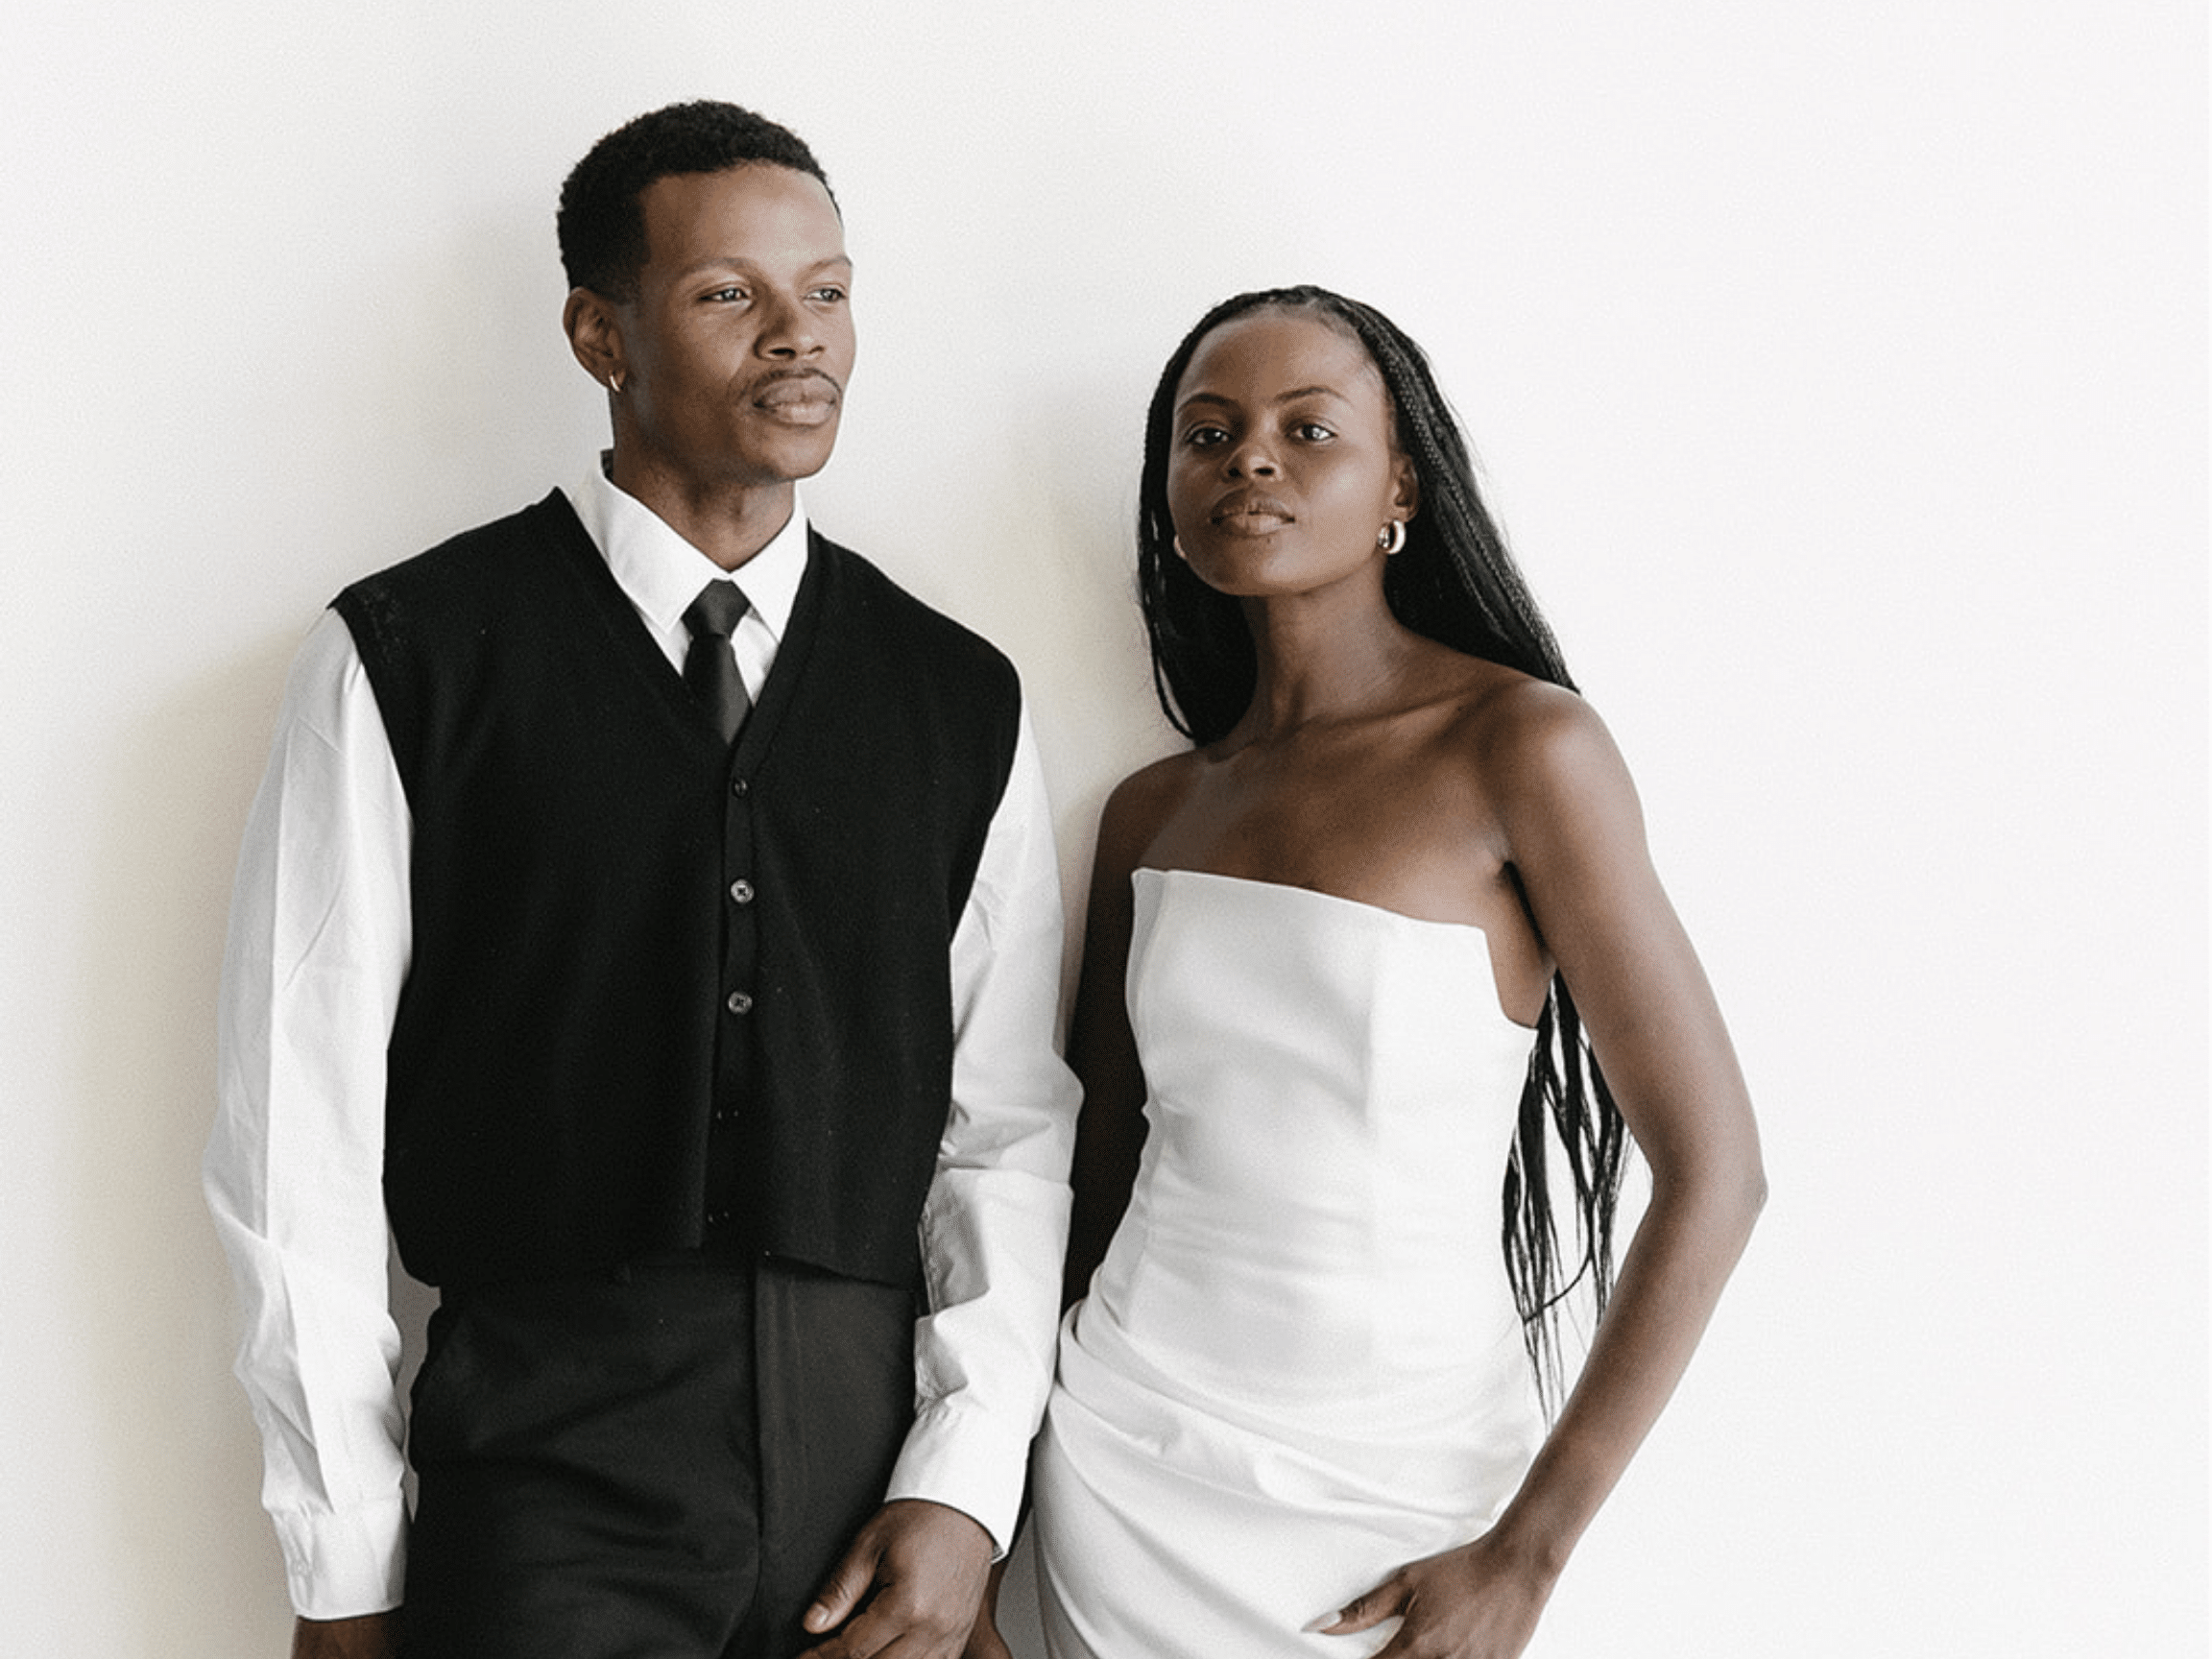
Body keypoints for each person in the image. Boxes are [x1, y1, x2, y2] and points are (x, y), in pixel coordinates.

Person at [204, 101, 1077, 1659]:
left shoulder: (958, 695)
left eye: (829, 290)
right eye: (729, 295)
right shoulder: (410, 657)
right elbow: (298, 1129)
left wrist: (967, 1489)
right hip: (546, 1467)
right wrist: (342, 1559)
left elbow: (1003, 1128)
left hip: (872, 1482)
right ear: (599, 333)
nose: (798, 338)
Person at [987, 287, 1766, 1659]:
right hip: (1119, 1466)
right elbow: (1093, 1184)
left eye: (1308, 429)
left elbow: (1716, 1173)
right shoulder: (1153, 811)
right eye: (1208, 434)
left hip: (1398, 1502)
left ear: (1401, 477)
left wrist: (1529, 1555)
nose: (1251, 462)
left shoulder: (1524, 751)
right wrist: (989, 1509)